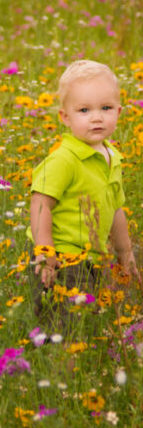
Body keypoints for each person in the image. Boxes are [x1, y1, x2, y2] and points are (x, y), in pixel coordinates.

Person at [28, 60, 140, 325]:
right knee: (63, 323)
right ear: (65, 117)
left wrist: (125, 253)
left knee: (86, 320)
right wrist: (45, 251)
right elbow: (40, 203)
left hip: (91, 255)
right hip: (61, 255)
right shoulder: (63, 159)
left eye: (106, 108)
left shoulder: (113, 157)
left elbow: (115, 209)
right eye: (84, 110)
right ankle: (58, 363)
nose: (97, 117)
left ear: (119, 111)